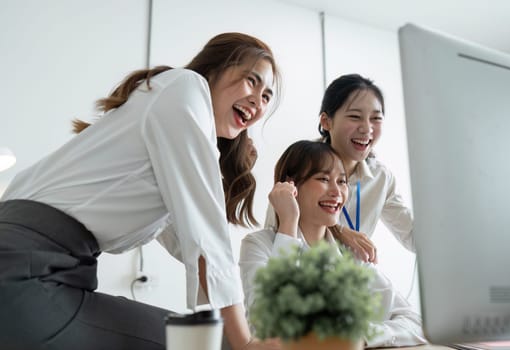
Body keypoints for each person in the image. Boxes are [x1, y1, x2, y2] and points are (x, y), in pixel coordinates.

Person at [0, 32, 281, 350]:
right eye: (251, 81)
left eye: (268, 96)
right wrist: (243, 341)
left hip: (33, 271)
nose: (259, 101)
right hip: (27, 277)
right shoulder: (186, 88)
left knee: (215, 339)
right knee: (217, 344)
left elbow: (187, 238)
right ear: (214, 68)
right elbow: (205, 243)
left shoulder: (166, 115)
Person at [241, 140, 427, 348]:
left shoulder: (349, 256)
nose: (337, 192)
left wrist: (360, 335)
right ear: (291, 185)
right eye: (323, 179)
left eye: (342, 181)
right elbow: (270, 326)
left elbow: (415, 322)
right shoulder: (257, 245)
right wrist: (289, 222)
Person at [265, 74, 415, 264]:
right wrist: (338, 231)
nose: (367, 128)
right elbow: (274, 240)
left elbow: (413, 236)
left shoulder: (380, 177)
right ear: (326, 121)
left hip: (349, 284)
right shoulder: (300, 166)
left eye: (376, 118)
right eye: (355, 117)